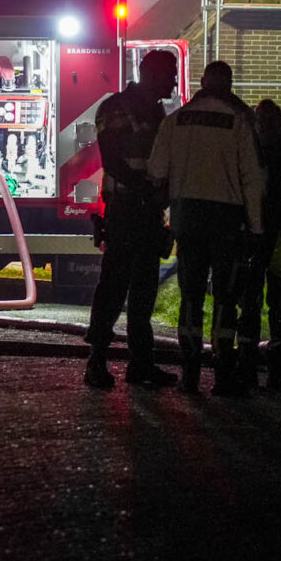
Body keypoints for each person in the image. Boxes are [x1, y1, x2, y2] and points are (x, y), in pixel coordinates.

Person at [149, 60, 263, 396]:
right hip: (227, 220)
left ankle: (190, 374)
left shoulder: (176, 120)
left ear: (202, 82)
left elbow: (156, 171)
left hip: (188, 218)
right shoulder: (239, 122)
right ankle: (224, 375)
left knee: (191, 296)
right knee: (225, 297)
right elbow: (252, 180)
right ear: (229, 85)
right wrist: (256, 228)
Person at [82, 49, 178, 390]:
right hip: (125, 210)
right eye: (169, 75)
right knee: (113, 287)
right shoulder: (116, 108)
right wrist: (146, 188)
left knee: (144, 290)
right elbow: (113, 160)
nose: (174, 82)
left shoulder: (157, 110)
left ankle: (141, 364)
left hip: (148, 211)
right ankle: (96, 362)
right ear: (150, 74)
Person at [235, 98, 281, 391]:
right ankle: (272, 372)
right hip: (274, 239)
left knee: (257, 304)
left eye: (267, 123)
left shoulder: (251, 158)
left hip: (263, 238)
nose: (266, 128)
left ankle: (252, 368)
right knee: (273, 307)